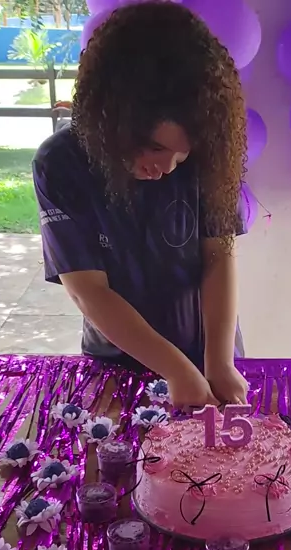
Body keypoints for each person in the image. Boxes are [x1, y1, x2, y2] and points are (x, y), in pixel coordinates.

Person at [32, 0, 249, 409]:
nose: (167, 167)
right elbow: (89, 292)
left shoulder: (211, 154)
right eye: (155, 148)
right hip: (116, 360)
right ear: (112, 121)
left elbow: (219, 257)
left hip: (208, 352)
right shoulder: (60, 164)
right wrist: (176, 370)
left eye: (183, 153)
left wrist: (219, 362)